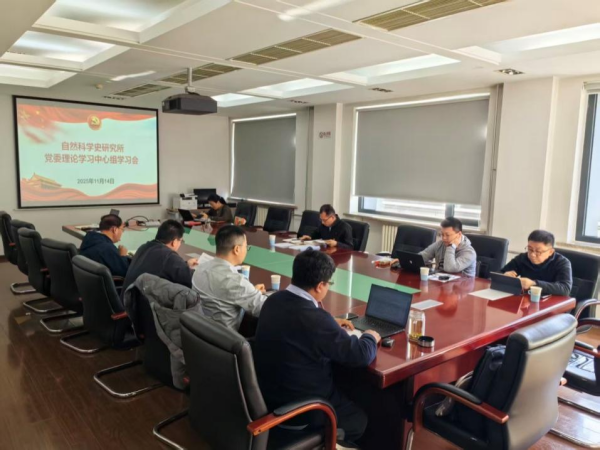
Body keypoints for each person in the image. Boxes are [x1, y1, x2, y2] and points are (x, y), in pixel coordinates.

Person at [253, 249, 381, 446]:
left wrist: (329, 321)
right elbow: (361, 355)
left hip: (267, 397)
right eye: (329, 283)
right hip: (302, 410)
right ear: (320, 286)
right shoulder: (315, 319)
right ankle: (324, 439)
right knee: (358, 420)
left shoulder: (273, 300)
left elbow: (299, 323)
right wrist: (370, 336)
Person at [192, 225, 267, 330]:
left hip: (199, 333)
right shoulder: (236, 282)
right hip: (224, 338)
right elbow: (265, 308)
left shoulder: (199, 268)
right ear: (237, 249)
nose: (246, 250)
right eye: (246, 247)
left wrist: (252, 291)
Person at [121, 220, 198, 294]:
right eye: (181, 241)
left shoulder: (144, 247)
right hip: (145, 301)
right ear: (174, 242)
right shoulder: (168, 256)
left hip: (127, 298)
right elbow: (194, 281)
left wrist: (186, 264)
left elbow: (164, 266)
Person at [500, 229, 572, 296]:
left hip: (551, 302)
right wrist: (504, 276)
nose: (532, 254)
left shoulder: (562, 262)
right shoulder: (522, 258)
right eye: (530, 249)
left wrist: (534, 284)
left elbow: (565, 288)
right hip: (526, 300)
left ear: (550, 252)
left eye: (538, 251)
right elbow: (497, 275)